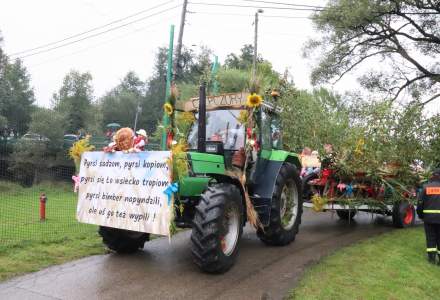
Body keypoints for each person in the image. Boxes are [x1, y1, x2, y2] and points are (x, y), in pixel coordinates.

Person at [417, 168, 440, 264]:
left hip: (429, 218)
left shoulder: (426, 187)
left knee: (430, 238)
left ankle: (431, 260)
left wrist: (421, 215)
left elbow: (420, 203)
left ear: (433, 176)